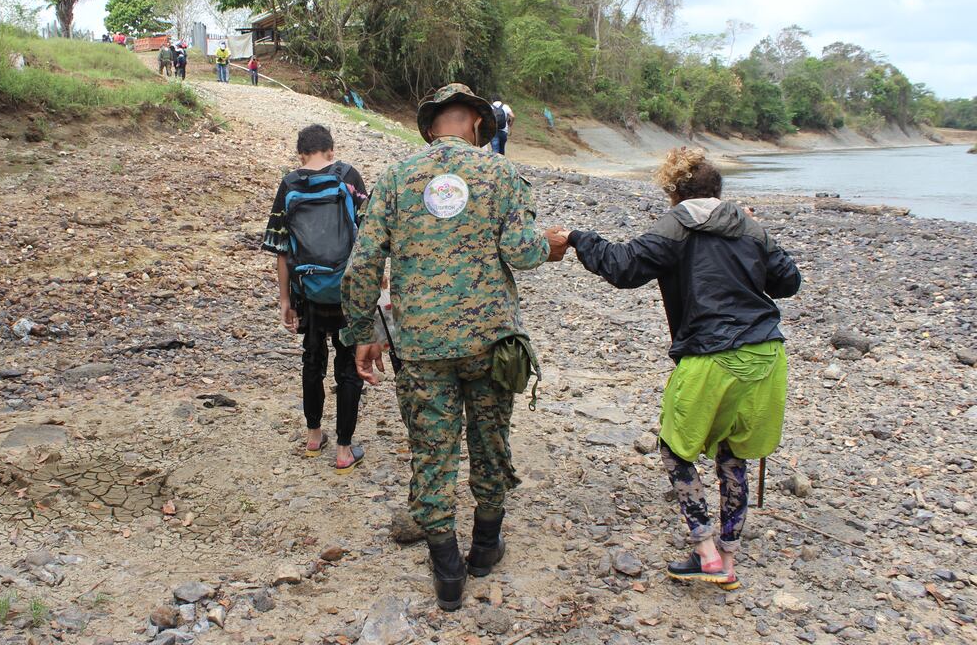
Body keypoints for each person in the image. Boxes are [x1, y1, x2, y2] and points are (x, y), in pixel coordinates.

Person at [342, 83, 569, 610]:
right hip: (491, 342)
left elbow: (361, 266)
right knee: (490, 440)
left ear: (430, 127)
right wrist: (552, 244)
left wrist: (365, 336)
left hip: (421, 346)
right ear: (476, 123)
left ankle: (447, 569)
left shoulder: (397, 178)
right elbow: (522, 250)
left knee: (432, 450)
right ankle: (485, 547)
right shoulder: (501, 173)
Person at [555, 147, 801, 591]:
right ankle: (727, 555)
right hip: (767, 354)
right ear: (718, 191)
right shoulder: (748, 226)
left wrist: (577, 236)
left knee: (674, 449)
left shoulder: (678, 223)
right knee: (733, 453)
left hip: (711, 355)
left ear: (673, 192)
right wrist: (760, 233)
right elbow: (787, 282)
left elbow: (623, 266)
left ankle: (704, 550)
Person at [263, 125, 369, 474]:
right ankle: (343, 450)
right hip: (347, 291)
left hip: (306, 290)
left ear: (301, 154)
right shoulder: (349, 176)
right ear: (331, 150)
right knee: (348, 367)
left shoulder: (289, 183)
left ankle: (313, 435)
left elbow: (280, 250)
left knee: (312, 359)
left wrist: (284, 301)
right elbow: (368, 240)